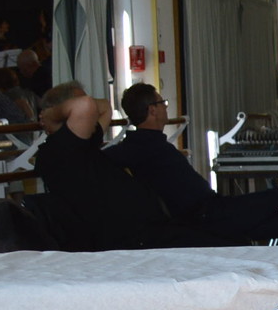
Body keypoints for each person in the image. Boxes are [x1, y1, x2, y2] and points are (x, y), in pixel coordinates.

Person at [107, 82, 278, 245]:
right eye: (162, 102)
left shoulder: (140, 146)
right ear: (152, 110)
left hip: (212, 210)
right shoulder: (144, 146)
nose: (166, 107)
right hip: (208, 215)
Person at [33, 83, 212, 251]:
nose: (93, 110)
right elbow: (86, 105)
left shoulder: (83, 141)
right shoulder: (58, 150)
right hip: (132, 237)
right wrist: (51, 114)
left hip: (150, 227)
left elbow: (104, 108)